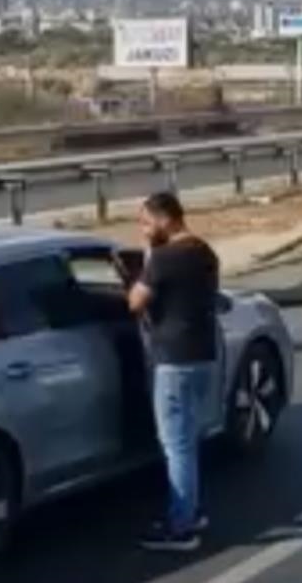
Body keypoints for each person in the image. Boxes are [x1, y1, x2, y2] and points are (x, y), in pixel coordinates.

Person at [127, 191, 220, 552]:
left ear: (164, 219)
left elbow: (135, 301)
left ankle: (181, 526)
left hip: (174, 361)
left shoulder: (165, 258)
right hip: (203, 355)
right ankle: (191, 510)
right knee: (187, 441)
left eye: (145, 223)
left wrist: (149, 255)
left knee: (176, 446)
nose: (143, 229)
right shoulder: (204, 252)